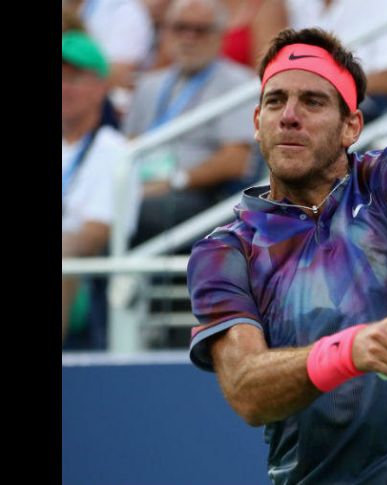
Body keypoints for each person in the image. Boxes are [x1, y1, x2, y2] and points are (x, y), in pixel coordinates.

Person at [187, 27, 387, 483]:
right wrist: (348, 352)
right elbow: (246, 388)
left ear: (352, 126)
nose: (289, 115)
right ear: (256, 121)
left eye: (313, 102)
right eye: (275, 100)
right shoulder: (224, 251)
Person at [123, 0, 256, 246]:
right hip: (142, 186)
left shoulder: (238, 83)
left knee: (132, 212)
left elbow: (236, 160)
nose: (189, 37)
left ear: (219, 35)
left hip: (198, 193)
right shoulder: (149, 84)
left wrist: (176, 180)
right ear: (166, 31)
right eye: (180, 28)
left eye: (200, 30)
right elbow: (129, 145)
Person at [62, 31, 141, 346]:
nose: (64, 88)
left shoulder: (117, 152)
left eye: (74, 78)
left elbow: (96, 235)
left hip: (82, 281)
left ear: (100, 87)